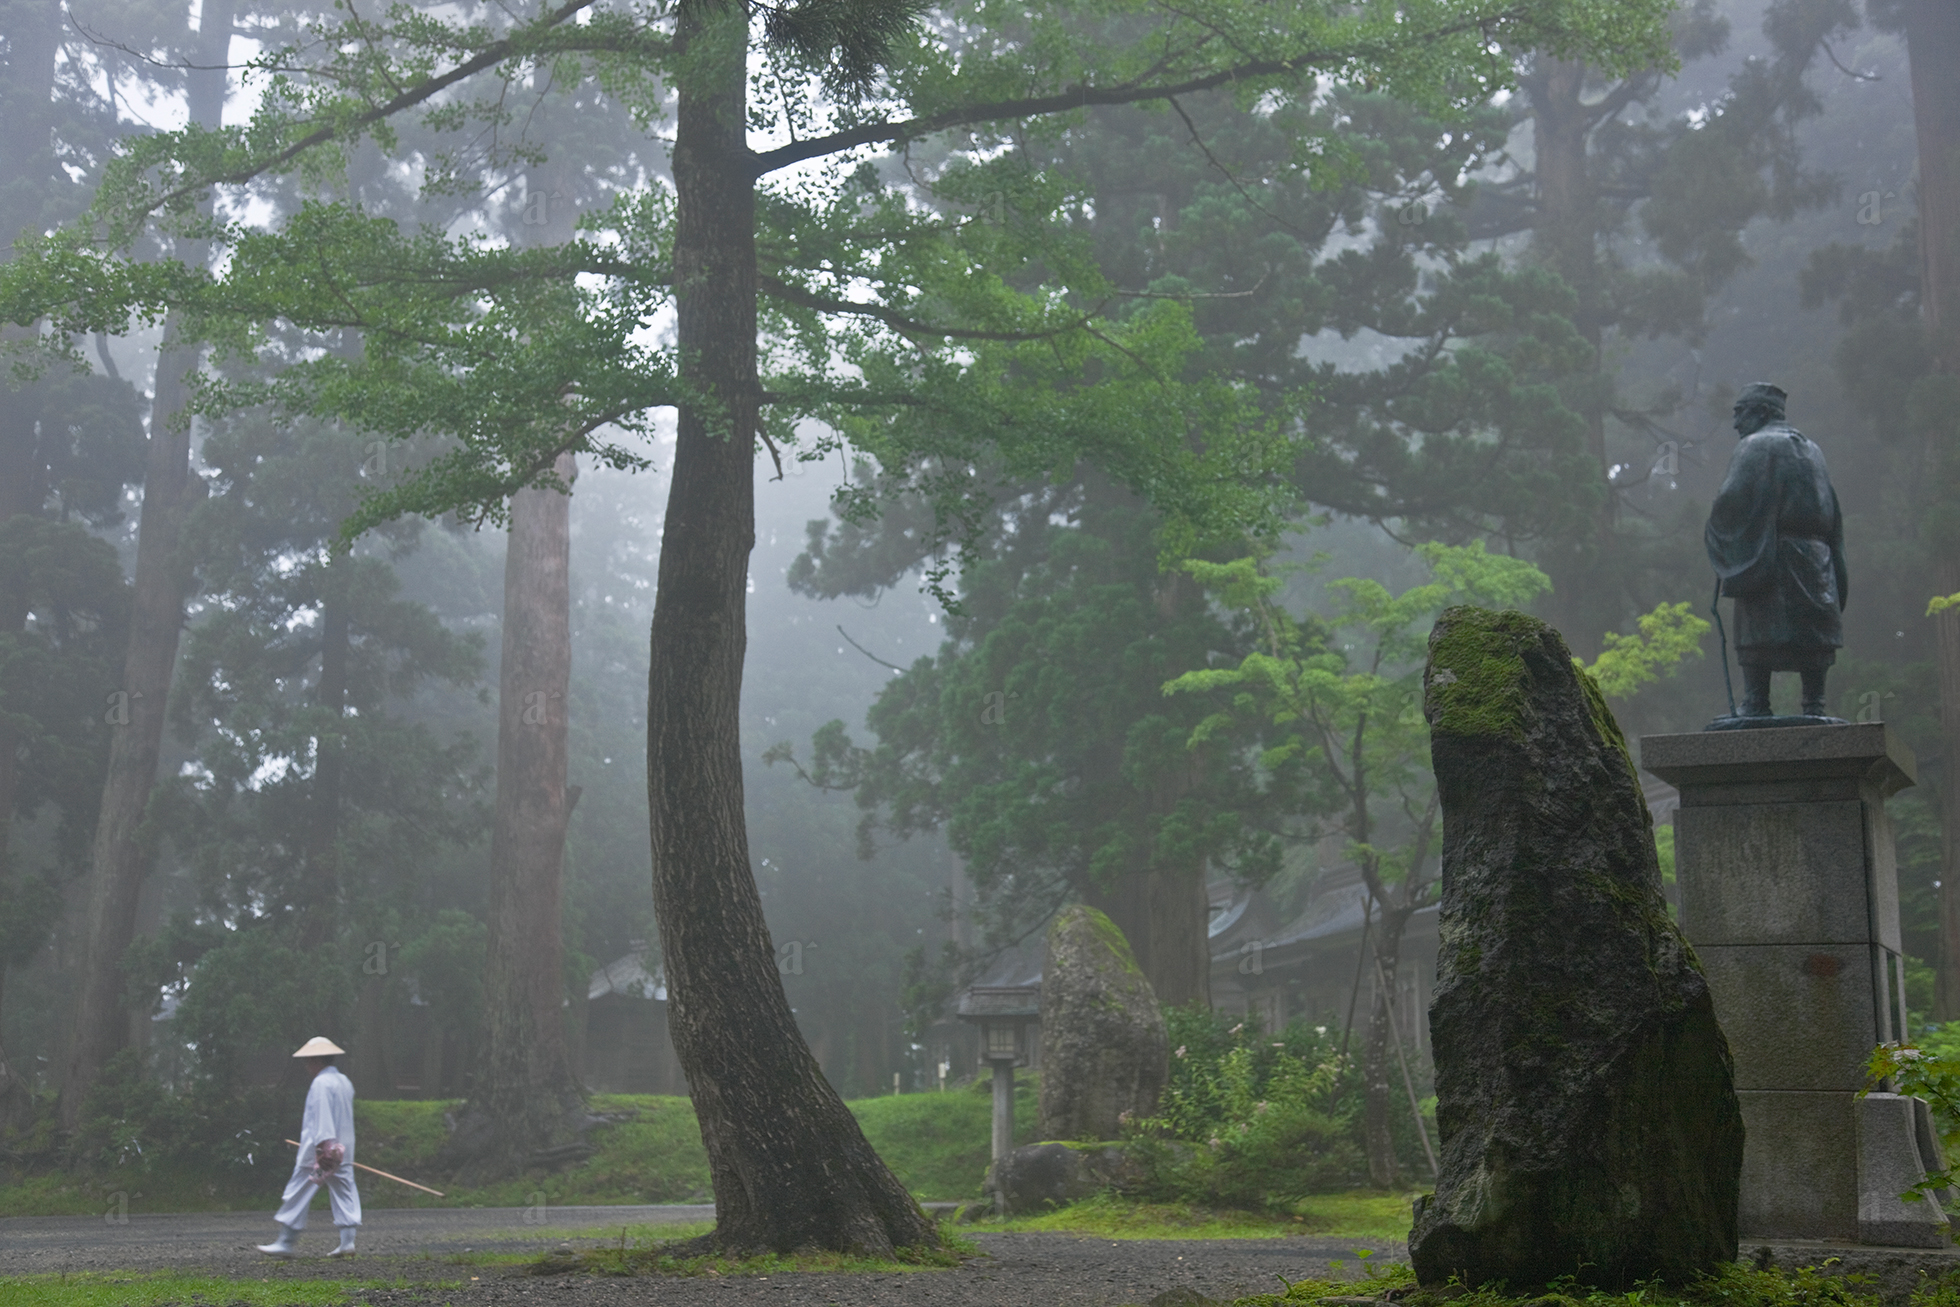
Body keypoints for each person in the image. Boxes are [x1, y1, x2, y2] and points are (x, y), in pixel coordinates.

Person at [1704, 382, 1848, 719]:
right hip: (1818, 558)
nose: (1735, 423)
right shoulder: (1812, 448)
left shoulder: (1756, 445)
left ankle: (1756, 701)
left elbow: (1732, 499)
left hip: (1770, 555)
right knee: (1813, 636)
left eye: (1740, 413)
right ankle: (1814, 702)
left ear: (1762, 413)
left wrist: (1717, 527)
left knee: (1757, 632)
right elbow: (1831, 508)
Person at [256, 1036, 361, 1258]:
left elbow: (322, 1117)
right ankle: (347, 1242)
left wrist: (323, 1149)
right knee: (345, 1191)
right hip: (343, 1152)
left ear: (316, 1060)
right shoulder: (344, 1081)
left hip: (321, 1154)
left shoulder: (321, 1083)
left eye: (308, 1061)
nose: (306, 1067)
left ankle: (286, 1241)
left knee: (299, 1190)